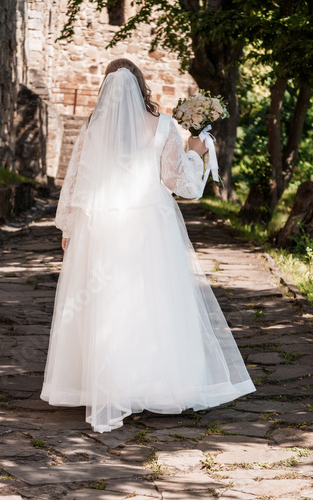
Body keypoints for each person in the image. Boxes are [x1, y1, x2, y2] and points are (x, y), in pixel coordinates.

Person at [40, 58, 255, 433]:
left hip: (103, 226)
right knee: (155, 301)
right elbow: (183, 185)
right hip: (152, 225)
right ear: (142, 87)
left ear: (106, 90)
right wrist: (198, 152)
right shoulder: (164, 126)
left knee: (105, 303)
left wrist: (71, 230)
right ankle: (153, 383)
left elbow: (78, 183)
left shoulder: (93, 128)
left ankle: (108, 384)